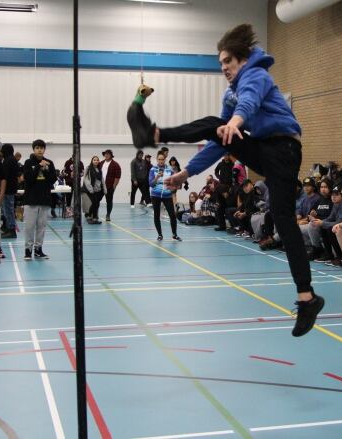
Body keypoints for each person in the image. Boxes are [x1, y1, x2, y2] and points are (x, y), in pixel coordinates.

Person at [127, 23, 323, 337]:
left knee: (285, 220)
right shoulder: (230, 93)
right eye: (220, 64)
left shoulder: (256, 75)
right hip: (264, 150)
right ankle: (308, 297)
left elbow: (249, 103)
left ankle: (306, 297)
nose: (223, 69)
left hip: (284, 149)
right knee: (214, 127)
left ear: (242, 60)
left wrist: (234, 121)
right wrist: (187, 172)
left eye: (227, 63)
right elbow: (219, 140)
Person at [22, 139, 57, 260]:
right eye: (37, 148)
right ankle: (28, 250)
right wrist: (38, 166)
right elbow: (29, 179)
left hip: (44, 199)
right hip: (31, 200)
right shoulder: (27, 163)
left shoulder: (49, 163)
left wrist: (46, 169)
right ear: (33, 149)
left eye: (42, 148)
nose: (40, 150)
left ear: (44, 149)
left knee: (41, 226)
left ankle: (38, 249)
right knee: (29, 227)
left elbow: (52, 180)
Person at [149, 151, 181, 241]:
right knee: (156, 215)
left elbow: (175, 182)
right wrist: (157, 177)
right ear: (157, 159)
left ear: (165, 159)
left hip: (167, 196)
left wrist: (173, 187)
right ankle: (160, 235)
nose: (161, 161)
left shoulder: (170, 169)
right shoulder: (153, 169)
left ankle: (174, 235)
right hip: (155, 195)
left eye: (162, 159)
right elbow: (151, 184)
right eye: (159, 159)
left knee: (172, 215)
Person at [0, 143, 19, 238]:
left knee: (8, 210)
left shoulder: (8, 160)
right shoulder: (12, 159)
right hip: (11, 188)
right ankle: (8, 227)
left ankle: (11, 230)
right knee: (8, 209)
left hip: (7, 189)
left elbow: (5, 176)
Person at [100, 149, 121, 222]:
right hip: (100, 186)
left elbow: (117, 177)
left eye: (108, 154)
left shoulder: (115, 165)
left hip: (109, 187)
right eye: (105, 154)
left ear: (111, 155)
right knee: (96, 200)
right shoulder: (101, 163)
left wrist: (114, 186)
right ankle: (94, 214)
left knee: (109, 201)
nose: (106, 155)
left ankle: (108, 214)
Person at [83, 156, 105, 224]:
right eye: (94, 160)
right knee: (94, 203)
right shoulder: (88, 168)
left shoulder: (99, 169)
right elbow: (85, 179)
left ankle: (95, 218)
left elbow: (102, 180)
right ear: (92, 161)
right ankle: (89, 216)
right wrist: (90, 189)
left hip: (98, 190)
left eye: (97, 160)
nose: (96, 161)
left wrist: (104, 188)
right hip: (91, 190)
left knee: (97, 204)